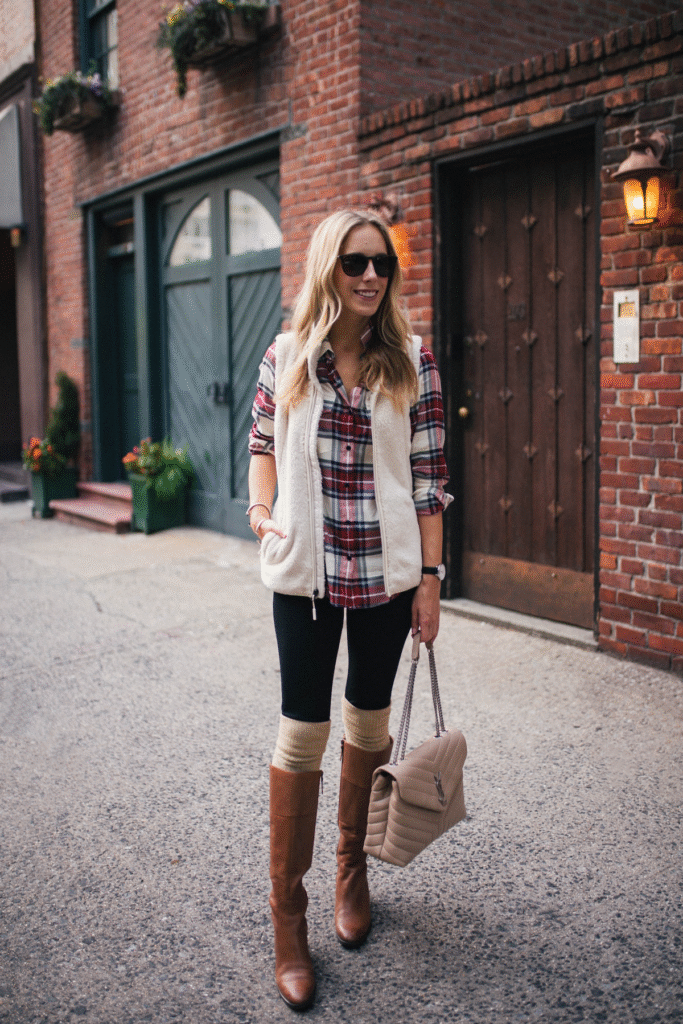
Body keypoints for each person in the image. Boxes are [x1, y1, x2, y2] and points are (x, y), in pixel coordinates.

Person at [247, 209, 452, 1011]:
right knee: (302, 731)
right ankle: (287, 917)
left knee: (368, 723)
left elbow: (430, 477)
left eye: (382, 265)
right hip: (304, 574)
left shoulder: (412, 363)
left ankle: (350, 870)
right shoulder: (285, 356)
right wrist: (263, 515)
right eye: (356, 263)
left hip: (388, 574)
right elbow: (261, 444)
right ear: (329, 268)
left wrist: (430, 579)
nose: (371, 278)